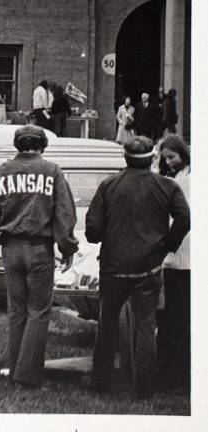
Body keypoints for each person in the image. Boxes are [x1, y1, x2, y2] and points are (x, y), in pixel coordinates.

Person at [85, 136, 190, 399]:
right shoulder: (167, 186)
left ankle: (100, 382)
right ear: (152, 158)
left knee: (106, 325)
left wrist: (101, 238)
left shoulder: (109, 185)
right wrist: (166, 245)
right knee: (146, 325)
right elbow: (184, 219)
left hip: (113, 267)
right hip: (149, 267)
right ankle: (145, 387)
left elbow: (94, 229)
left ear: (126, 157)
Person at [0, 125, 78, 389]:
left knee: (16, 311)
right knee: (38, 312)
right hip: (39, 248)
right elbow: (65, 214)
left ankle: (16, 370)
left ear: (17, 145)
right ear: (42, 145)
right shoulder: (52, 171)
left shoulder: (1, 171)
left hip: (10, 248)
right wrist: (67, 247)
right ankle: (27, 376)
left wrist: (3, 224)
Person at [156, 135, 190, 391]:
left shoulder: (187, 182)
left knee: (177, 316)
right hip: (173, 258)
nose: (168, 162)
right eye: (165, 158)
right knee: (170, 316)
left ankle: (176, 372)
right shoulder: (171, 180)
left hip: (183, 255)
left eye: (172, 157)